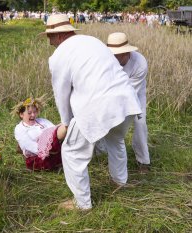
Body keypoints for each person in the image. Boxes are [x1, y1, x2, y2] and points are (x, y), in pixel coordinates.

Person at [41, 14, 142, 210]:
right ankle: (120, 182)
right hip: (126, 100)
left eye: (50, 36)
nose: (49, 41)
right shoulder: (92, 41)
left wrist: (66, 122)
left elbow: (61, 92)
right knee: (116, 140)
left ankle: (82, 203)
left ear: (60, 36)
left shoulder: (58, 56)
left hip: (98, 105)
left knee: (72, 152)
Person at [107, 32, 151, 173]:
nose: (115, 57)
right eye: (113, 54)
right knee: (105, 120)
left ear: (126, 52)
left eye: (118, 54)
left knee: (140, 123)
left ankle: (143, 161)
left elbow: (128, 91)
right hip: (109, 95)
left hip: (135, 95)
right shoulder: (106, 60)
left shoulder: (140, 63)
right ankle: (100, 150)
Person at [12, 96, 67, 171]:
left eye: (35, 112)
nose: (33, 115)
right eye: (29, 113)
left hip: (53, 146)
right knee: (64, 127)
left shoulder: (42, 121)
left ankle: (69, 124)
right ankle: (68, 124)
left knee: (62, 128)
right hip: (38, 157)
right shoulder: (19, 128)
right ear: (21, 115)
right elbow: (27, 144)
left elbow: (54, 129)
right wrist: (44, 150)